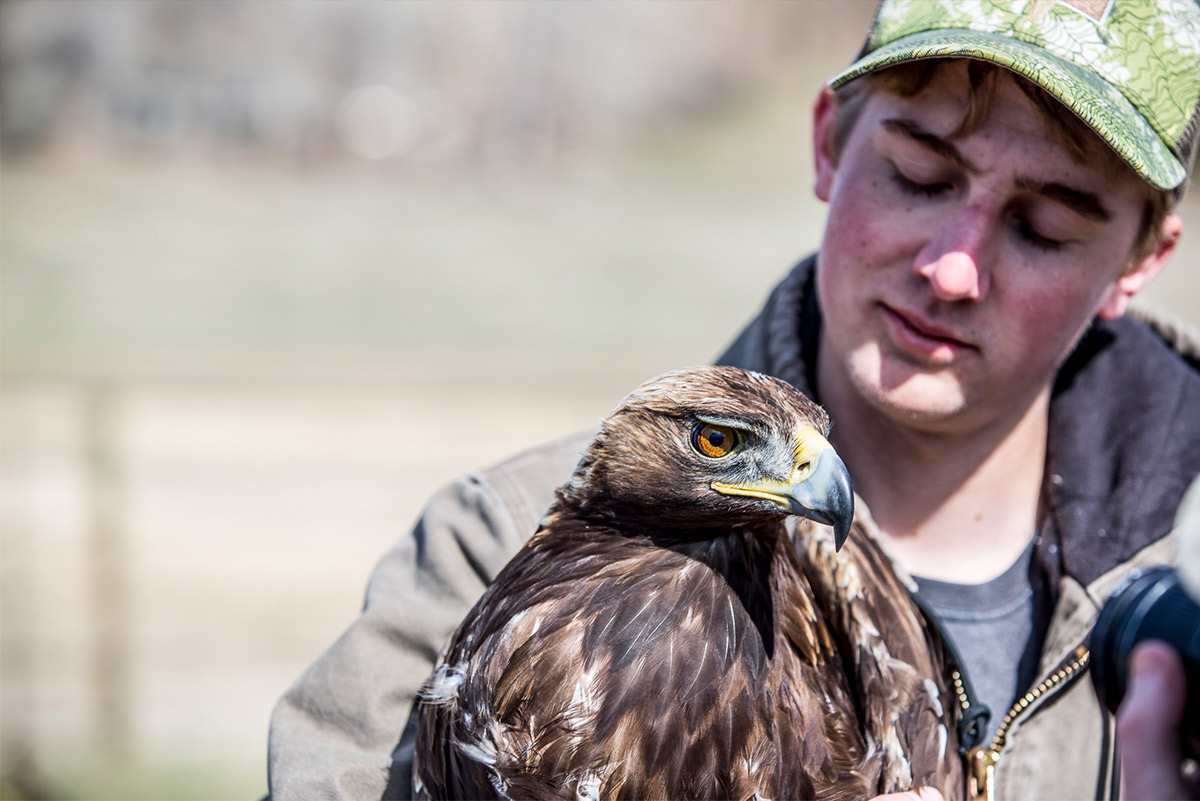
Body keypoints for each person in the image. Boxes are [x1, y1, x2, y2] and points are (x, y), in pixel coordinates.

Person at [267, 1, 1200, 798]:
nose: (953, 267)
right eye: (919, 175)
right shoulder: (495, 546)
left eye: (1042, 227)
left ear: (1142, 260)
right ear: (827, 144)